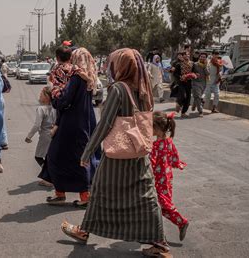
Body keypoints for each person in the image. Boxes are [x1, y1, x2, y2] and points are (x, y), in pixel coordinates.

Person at [60, 48, 168, 257]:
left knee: (101, 191)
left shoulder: (118, 89)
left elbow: (105, 124)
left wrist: (87, 152)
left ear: (120, 66)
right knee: (146, 196)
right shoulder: (143, 89)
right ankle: (160, 244)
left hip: (117, 154)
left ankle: (84, 231)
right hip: (138, 153)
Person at [41, 47, 97, 207]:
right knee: (74, 158)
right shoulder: (88, 78)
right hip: (82, 123)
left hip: (71, 124)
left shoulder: (76, 78)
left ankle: (80, 196)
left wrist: (53, 91)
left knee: (58, 157)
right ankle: (63, 194)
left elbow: (63, 101)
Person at [150, 111, 189, 242]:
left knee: (163, 205)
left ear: (158, 128)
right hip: (167, 179)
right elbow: (174, 158)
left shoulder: (155, 146)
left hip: (158, 181)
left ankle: (182, 222)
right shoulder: (168, 142)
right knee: (162, 207)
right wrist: (177, 164)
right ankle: (158, 234)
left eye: (151, 127)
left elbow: (151, 163)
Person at [25, 87, 56, 187]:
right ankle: (50, 177)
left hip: (45, 136)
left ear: (47, 97)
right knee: (49, 157)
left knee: (38, 156)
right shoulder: (56, 108)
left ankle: (49, 177)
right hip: (55, 135)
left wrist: (29, 136)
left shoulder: (41, 109)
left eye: (41, 94)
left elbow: (37, 125)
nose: (39, 96)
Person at [175, 52, 195, 118]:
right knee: (183, 95)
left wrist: (193, 75)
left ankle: (183, 112)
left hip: (189, 82)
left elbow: (194, 72)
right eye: (185, 55)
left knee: (188, 98)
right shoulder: (179, 64)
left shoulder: (192, 63)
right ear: (183, 56)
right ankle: (178, 103)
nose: (187, 56)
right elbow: (175, 73)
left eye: (188, 54)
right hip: (181, 82)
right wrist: (180, 77)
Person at [191, 53, 209, 117]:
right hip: (195, 82)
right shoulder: (195, 64)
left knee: (198, 96)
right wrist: (195, 74)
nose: (202, 58)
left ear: (206, 58)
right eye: (201, 56)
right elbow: (191, 71)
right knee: (198, 96)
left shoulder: (207, 65)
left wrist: (205, 67)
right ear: (199, 57)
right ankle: (200, 111)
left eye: (204, 57)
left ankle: (194, 104)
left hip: (203, 83)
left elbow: (207, 73)